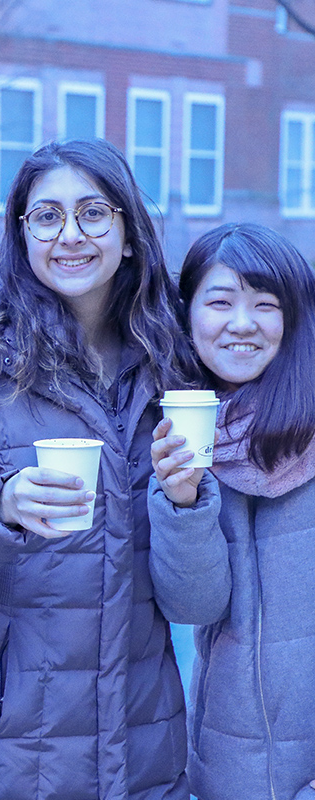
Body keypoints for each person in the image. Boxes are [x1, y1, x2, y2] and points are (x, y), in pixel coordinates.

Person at [0, 139, 198, 800]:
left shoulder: (169, 354)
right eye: (47, 216)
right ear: (21, 232)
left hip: (139, 732)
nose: (70, 235)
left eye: (93, 214)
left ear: (127, 234)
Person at [148, 223, 315, 800]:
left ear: (294, 321)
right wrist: (184, 502)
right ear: (188, 315)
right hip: (224, 773)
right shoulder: (188, 437)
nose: (241, 325)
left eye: (265, 306)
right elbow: (194, 606)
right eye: (220, 302)